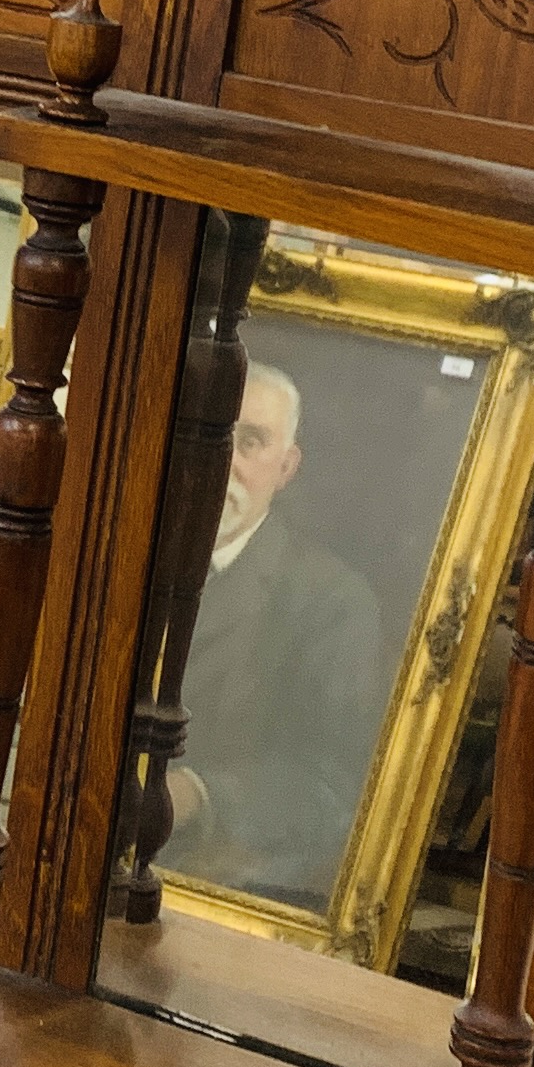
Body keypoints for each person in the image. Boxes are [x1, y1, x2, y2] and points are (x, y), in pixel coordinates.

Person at [165, 357, 389, 911]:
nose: (222, 461)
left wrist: (197, 794)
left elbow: (335, 785)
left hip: (215, 882)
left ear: (286, 468)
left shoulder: (333, 601)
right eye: (209, 432)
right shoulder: (115, 550)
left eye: (250, 441)